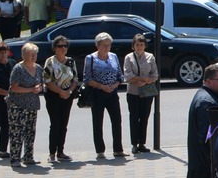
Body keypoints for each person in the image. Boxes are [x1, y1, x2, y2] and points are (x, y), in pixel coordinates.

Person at [82, 32, 125, 160]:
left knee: (117, 120)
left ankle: (118, 149)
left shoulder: (113, 56)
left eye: (109, 45)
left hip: (112, 93)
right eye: (104, 45)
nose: (107, 48)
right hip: (98, 93)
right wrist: (102, 86)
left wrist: (115, 84)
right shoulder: (91, 58)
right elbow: (87, 78)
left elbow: (120, 76)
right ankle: (100, 150)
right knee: (98, 121)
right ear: (98, 45)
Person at [40, 35, 78, 164]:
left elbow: (75, 79)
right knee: (55, 124)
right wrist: (61, 92)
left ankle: (60, 152)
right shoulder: (50, 61)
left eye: (65, 46)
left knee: (63, 125)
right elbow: (47, 81)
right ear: (55, 48)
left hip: (67, 96)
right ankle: (52, 153)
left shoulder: (71, 61)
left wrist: (69, 92)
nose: (63, 48)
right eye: (60, 46)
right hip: (53, 96)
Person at [6, 41, 43, 168]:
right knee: (17, 132)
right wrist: (30, 90)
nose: (34, 57)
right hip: (17, 104)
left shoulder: (38, 67)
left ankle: (28, 156)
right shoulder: (18, 68)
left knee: (30, 131)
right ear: (24, 55)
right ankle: (15, 158)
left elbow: (40, 83)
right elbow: (14, 88)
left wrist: (39, 88)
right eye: (31, 54)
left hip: (32, 104)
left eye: (35, 54)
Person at [122, 33, 158, 155]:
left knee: (144, 117)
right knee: (134, 117)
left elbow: (155, 75)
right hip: (133, 92)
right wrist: (142, 79)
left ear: (145, 46)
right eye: (137, 45)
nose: (139, 47)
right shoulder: (129, 57)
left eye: (141, 45)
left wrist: (145, 81)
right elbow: (128, 76)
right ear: (133, 46)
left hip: (147, 91)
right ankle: (134, 144)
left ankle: (142, 143)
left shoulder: (150, 57)